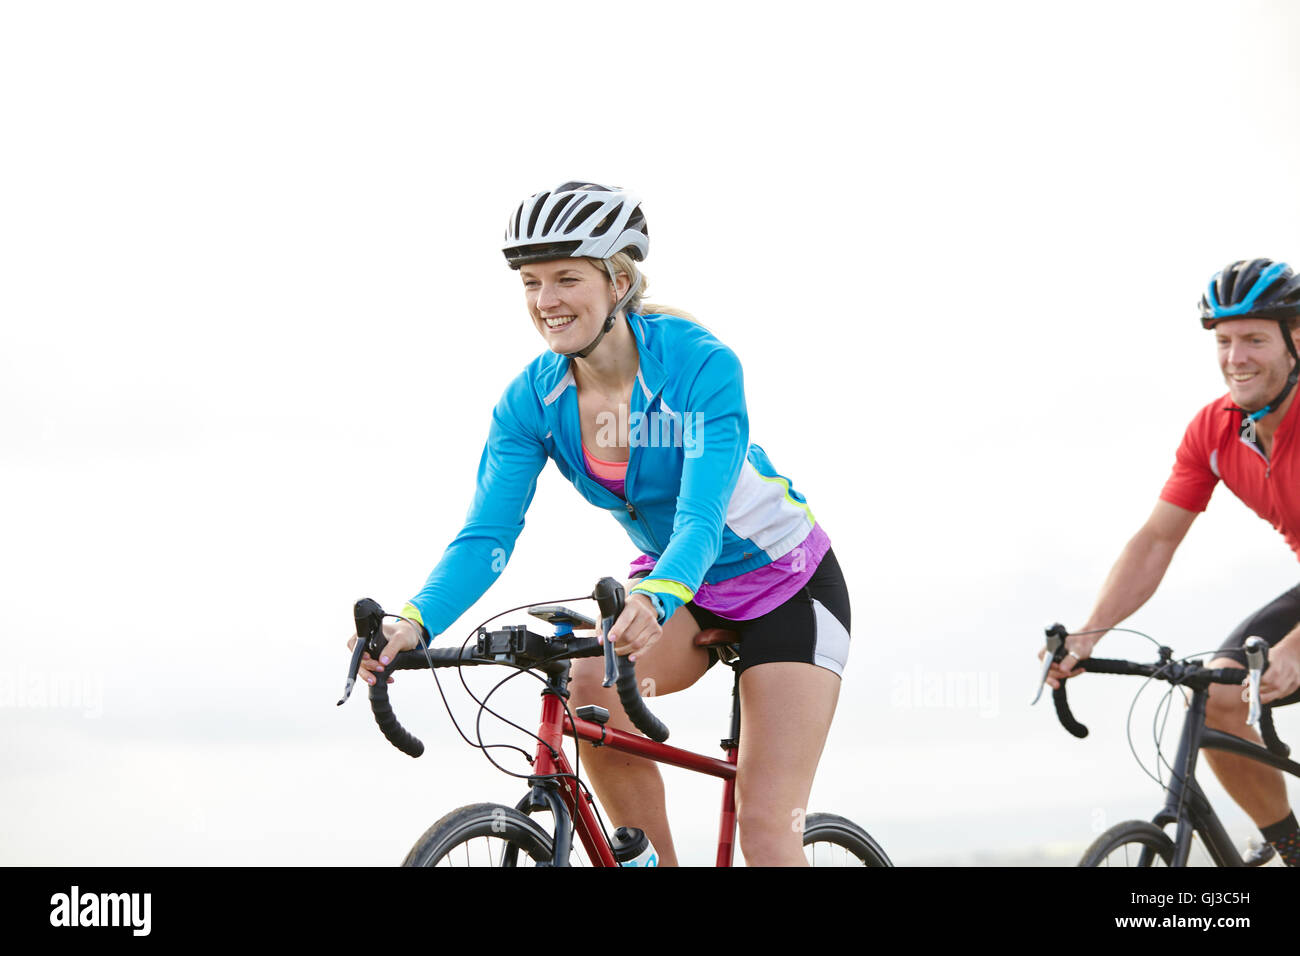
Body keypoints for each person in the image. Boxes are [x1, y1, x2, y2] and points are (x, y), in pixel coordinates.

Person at [348, 182, 852, 866]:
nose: (544, 300)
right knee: (591, 695)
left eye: (565, 278)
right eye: (530, 282)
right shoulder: (531, 402)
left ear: (619, 278)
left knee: (767, 827)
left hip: (787, 590)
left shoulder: (700, 366)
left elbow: (701, 522)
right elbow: (486, 539)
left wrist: (655, 595)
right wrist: (414, 621)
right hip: (678, 585)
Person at [1045, 258, 1300, 867]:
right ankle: (1295, 850)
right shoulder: (1213, 433)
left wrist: (1294, 647)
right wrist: (1088, 633)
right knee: (1214, 695)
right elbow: (1157, 540)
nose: (1236, 357)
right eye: (1224, 340)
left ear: (1297, 340)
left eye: (1255, 339)